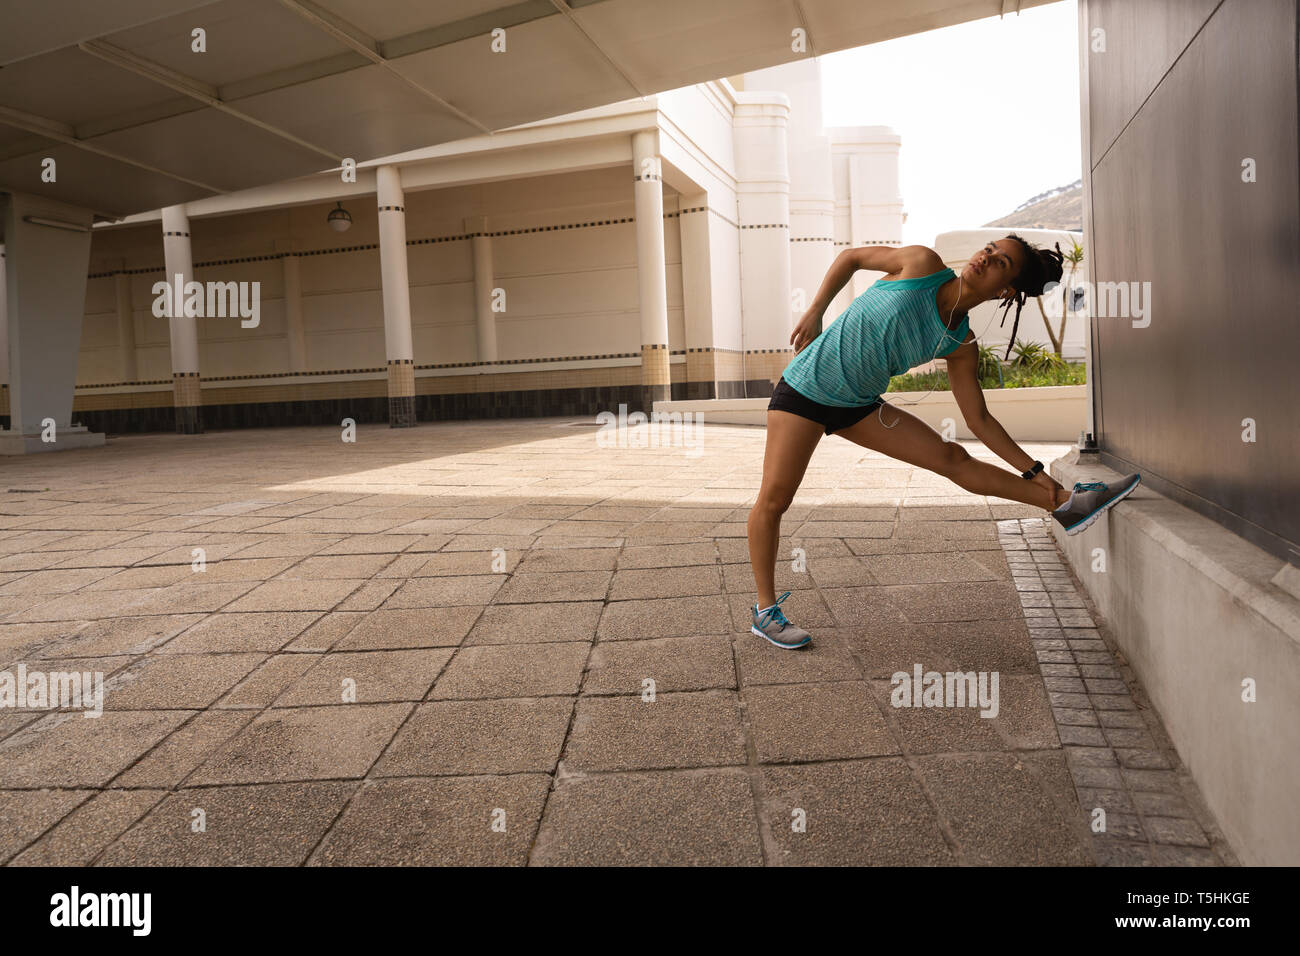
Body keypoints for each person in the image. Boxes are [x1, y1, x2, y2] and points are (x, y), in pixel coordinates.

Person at [747, 235, 1140, 649]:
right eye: (989, 248)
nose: (985, 257)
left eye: (1000, 262)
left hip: (858, 406)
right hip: (805, 390)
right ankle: (765, 612)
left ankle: (1064, 503)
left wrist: (1034, 470)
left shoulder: (960, 344)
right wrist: (815, 311)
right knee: (775, 499)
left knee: (952, 457)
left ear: (1005, 290)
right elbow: (851, 257)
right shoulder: (920, 264)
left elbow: (980, 420)